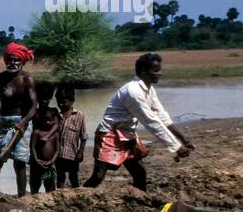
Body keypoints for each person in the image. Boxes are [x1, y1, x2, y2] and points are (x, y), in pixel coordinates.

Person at [84, 52, 194, 191]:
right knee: (98, 176)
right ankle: (75, 198)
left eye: (159, 70)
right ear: (143, 72)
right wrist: (176, 147)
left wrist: (183, 138)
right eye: (156, 71)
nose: (160, 73)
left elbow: (161, 115)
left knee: (139, 173)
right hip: (109, 133)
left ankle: (142, 200)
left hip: (127, 133)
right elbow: (151, 122)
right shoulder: (133, 91)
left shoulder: (149, 89)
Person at [0, 42, 38, 200]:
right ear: (6, 60)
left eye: (16, 60)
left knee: (19, 162)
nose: (12, 63)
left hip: (21, 124)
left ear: (22, 62)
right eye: (10, 59)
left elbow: (34, 107)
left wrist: (24, 122)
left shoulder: (28, 80)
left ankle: (22, 198)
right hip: (3, 124)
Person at [27, 80, 59, 195]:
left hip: (49, 159)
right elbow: (32, 146)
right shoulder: (34, 112)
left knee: (50, 184)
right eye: (42, 98)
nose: (45, 101)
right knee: (34, 182)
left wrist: (48, 135)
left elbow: (56, 125)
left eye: (47, 98)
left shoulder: (53, 111)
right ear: (38, 98)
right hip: (36, 156)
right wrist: (36, 159)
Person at [54, 85, 88, 188]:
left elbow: (83, 137)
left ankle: (76, 192)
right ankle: (60, 193)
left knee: (73, 176)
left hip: (72, 154)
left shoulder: (79, 115)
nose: (60, 104)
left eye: (64, 102)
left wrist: (80, 152)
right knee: (60, 176)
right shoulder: (56, 115)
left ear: (72, 101)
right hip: (58, 154)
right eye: (58, 101)